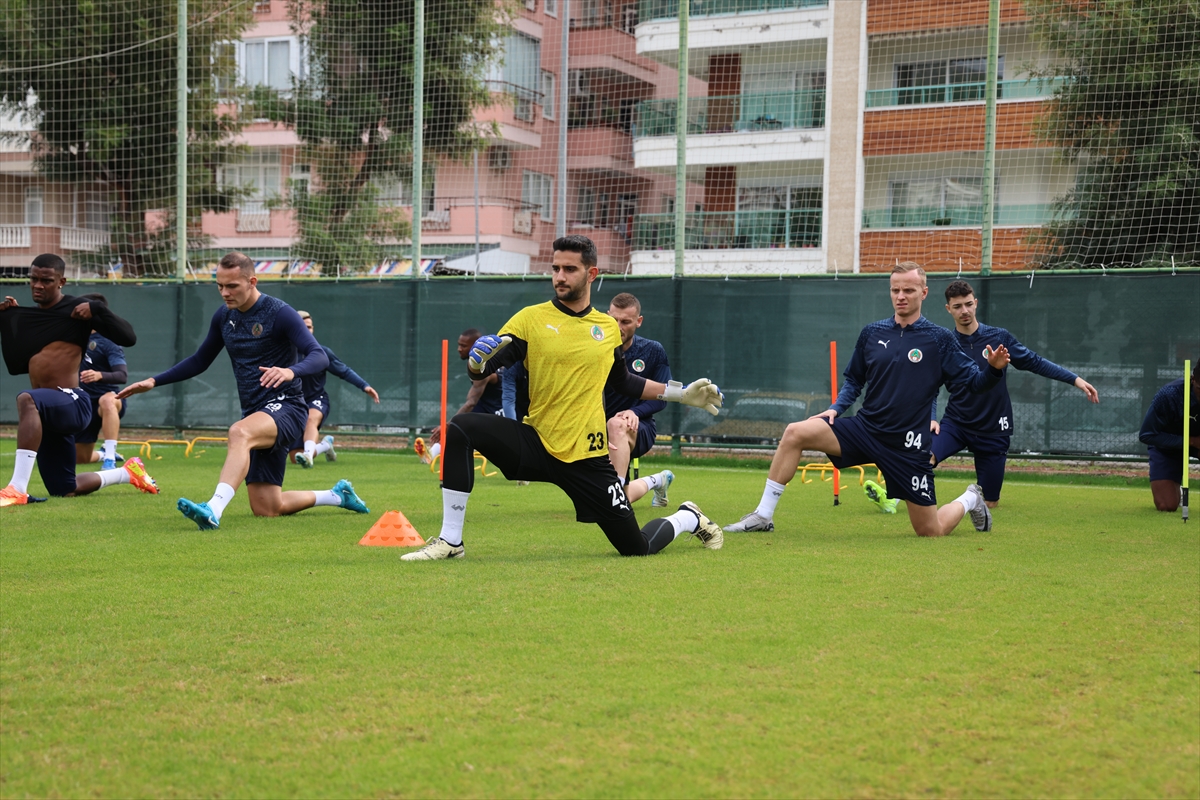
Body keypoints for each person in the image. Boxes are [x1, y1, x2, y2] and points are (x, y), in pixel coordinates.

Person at [401, 234, 726, 561]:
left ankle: (687, 517)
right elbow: (485, 367)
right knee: (459, 428)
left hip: (587, 457)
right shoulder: (530, 319)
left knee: (635, 548)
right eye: (555, 267)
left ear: (592, 274)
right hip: (536, 443)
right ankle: (451, 541)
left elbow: (624, 381)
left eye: (570, 268)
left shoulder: (607, 327)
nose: (559, 276)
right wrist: (476, 361)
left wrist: (681, 394)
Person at [724, 262, 1011, 538]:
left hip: (907, 446)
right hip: (867, 430)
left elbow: (975, 382)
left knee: (930, 531)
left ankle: (969, 499)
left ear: (923, 293)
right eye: (895, 290)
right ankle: (763, 515)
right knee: (794, 432)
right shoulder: (872, 333)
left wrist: (994, 369)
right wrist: (837, 408)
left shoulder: (939, 339)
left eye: (909, 290)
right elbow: (854, 380)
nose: (901, 296)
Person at [117, 252, 369, 529]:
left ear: (252, 281)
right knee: (268, 507)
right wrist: (154, 381)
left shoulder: (280, 313)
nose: (224, 293)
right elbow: (200, 360)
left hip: (288, 406)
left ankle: (212, 509)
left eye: (232, 286)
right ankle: (336, 495)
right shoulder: (224, 316)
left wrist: (290, 371)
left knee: (239, 432)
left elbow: (318, 355)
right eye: (219, 286)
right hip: (256, 410)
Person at [0, 254, 157, 506]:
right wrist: (11, 319)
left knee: (27, 399)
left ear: (61, 281)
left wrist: (97, 308)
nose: (38, 285)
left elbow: (129, 337)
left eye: (46, 280)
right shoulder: (30, 317)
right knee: (65, 488)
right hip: (47, 413)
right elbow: (17, 363)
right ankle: (126, 472)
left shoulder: (78, 310)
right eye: (34, 279)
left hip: (72, 401)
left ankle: (17, 488)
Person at [929, 280, 1099, 508]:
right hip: (957, 423)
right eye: (958, 306)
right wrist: (931, 416)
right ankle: (901, 499)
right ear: (948, 309)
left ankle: (968, 502)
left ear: (976, 303)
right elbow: (931, 386)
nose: (965, 311)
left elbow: (1034, 362)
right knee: (924, 458)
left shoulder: (999, 338)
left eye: (968, 304)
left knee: (990, 503)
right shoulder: (945, 345)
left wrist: (1075, 379)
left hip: (993, 428)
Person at [604, 292, 675, 507]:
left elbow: (662, 398)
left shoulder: (653, 351)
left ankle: (614, 508)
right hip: (600, 431)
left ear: (638, 321)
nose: (618, 327)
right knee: (610, 496)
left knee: (616, 424)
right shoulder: (594, 350)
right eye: (613, 320)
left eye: (625, 322)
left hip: (641, 427)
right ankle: (658, 480)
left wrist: (635, 412)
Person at [290, 310, 381, 468]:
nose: (308, 330)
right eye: (303, 327)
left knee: (311, 419)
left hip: (317, 399)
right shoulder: (284, 353)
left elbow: (343, 371)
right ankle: (325, 445)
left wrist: (364, 386)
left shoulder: (321, 352)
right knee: (293, 458)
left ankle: (309, 455)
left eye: (310, 327)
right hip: (294, 403)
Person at [414, 327, 506, 465]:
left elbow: (471, 402)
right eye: (459, 344)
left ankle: (522, 473)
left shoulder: (483, 367)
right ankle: (429, 455)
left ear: (475, 346)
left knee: (505, 446)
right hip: (483, 406)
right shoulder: (478, 362)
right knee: (456, 428)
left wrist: (447, 424)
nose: (459, 349)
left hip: (498, 411)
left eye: (463, 346)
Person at [73, 293, 129, 469]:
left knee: (107, 400)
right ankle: (102, 454)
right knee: (79, 458)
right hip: (83, 404)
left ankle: (110, 458)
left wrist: (100, 375)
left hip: (108, 401)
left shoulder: (108, 340)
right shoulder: (72, 336)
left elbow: (122, 375)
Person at [1139, 363, 1199, 512]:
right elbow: (1147, 434)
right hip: (1167, 447)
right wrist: (1190, 441)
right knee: (1167, 505)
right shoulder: (1169, 395)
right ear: (1193, 380)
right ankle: (1173, 486)